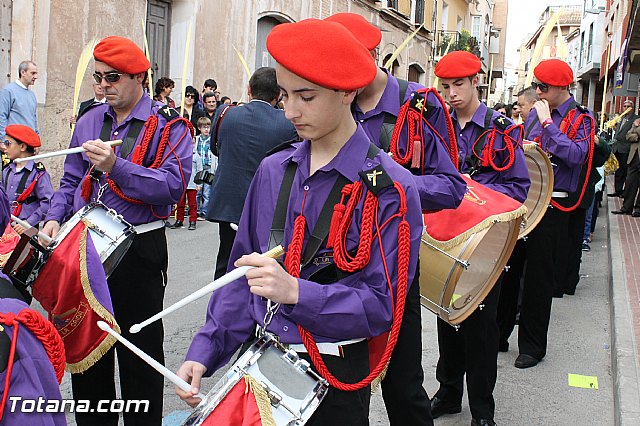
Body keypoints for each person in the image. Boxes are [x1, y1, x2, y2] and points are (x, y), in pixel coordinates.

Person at [177, 19, 423, 425]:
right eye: (286, 95)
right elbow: (241, 276)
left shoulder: (391, 189)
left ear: (347, 91)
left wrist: (296, 292)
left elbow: (382, 305)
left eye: (306, 97)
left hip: (335, 376)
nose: (290, 111)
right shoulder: (272, 170)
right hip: (258, 364)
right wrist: (205, 349)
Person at [41, 35, 193, 425]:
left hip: (139, 250)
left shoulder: (169, 124)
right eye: (98, 78)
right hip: (86, 248)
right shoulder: (91, 118)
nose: (103, 86)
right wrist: (56, 216)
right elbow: (71, 179)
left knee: (140, 352)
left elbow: (173, 187)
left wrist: (116, 167)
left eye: (113, 77)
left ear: (139, 77)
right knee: (87, 354)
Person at [325, 12, 466, 426]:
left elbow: (451, 186)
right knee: (339, 389)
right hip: (329, 261)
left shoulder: (420, 104)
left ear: (371, 55)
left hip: (393, 261)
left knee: (403, 387)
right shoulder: (327, 97)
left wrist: (389, 185)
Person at [429, 50, 530, 426]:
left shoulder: (500, 129)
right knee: (446, 316)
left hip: (486, 241)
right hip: (447, 237)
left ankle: (483, 410)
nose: (452, 93)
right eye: (446, 86)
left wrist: (473, 190)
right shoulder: (439, 127)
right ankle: (448, 392)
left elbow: (519, 189)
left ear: (476, 82)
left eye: (459, 85)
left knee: (482, 328)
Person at [500, 59, 593, 370]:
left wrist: (549, 125)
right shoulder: (536, 115)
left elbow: (576, 156)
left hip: (554, 205)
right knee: (509, 269)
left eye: (543, 87)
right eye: (537, 86)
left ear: (562, 88)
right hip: (526, 200)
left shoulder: (581, 119)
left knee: (539, 277)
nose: (538, 92)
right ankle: (500, 333)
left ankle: (532, 346)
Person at [206, 67, 297, 279]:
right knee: (262, 263)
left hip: (229, 201)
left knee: (226, 260)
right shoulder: (286, 122)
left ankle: (220, 308)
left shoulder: (225, 113)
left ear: (249, 89)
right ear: (278, 94)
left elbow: (215, 148)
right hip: (267, 204)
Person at [1, 124, 53, 233]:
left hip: (27, 231)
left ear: (23, 147)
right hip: (7, 229)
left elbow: (47, 202)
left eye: (8, 143)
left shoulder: (38, 173)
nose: (4, 147)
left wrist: (29, 222)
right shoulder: (6, 170)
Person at [168, 134, 202, 230]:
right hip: (182, 183)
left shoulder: (196, 156)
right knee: (180, 203)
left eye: (192, 142)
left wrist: (199, 184)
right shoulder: (181, 155)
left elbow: (200, 170)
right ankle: (179, 220)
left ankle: (193, 220)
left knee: (192, 204)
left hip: (192, 183)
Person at [0, 61, 39, 140]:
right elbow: (2, 116)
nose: (36, 77)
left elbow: (34, 119)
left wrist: (36, 138)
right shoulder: (8, 91)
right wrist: (2, 140)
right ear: (23, 72)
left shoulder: (32, 95)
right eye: (33, 73)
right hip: (14, 143)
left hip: (29, 142)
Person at [609, 100, 637, 197]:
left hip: (626, 148)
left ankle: (625, 192)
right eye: (624, 106)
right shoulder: (620, 118)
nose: (625, 108)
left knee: (625, 171)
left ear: (632, 108)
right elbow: (619, 132)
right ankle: (618, 190)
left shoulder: (635, 119)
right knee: (618, 170)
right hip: (617, 147)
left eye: (628, 106)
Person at [612, 117, 640, 217]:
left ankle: (638, 209)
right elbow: (628, 135)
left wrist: (636, 128)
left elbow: (635, 131)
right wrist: (636, 137)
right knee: (630, 183)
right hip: (634, 157)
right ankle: (626, 208)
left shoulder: (637, 123)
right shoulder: (637, 122)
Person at [194, 116, 214, 218]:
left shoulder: (211, 140)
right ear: (199, 128)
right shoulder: (196, 139)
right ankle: (196, 210)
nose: (206, 129)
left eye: (208, 127)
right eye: (204, 127)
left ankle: (204, 211)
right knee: (198, 191)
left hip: (208, 167)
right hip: (199, 168)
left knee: (207, 192)